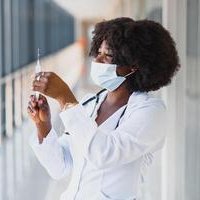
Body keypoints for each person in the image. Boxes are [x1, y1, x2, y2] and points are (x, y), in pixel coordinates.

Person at [27, 17, 180, 200]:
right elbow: (61, 166)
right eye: (98, 52)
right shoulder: (90, 103)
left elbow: (104, 153)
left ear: (134, 65)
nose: (97, 60)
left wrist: (65, 98)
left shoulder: (151, 112)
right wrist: (43, 126)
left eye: (107, 56)